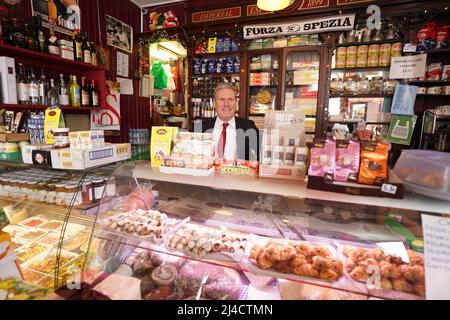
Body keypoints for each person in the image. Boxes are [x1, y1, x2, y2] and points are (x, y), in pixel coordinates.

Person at [196, 82, 260, 161]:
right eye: (222, 99)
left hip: (238, 172)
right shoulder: (201, 128)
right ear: (214, 103)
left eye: (230, 99)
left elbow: (262, 155)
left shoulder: (248, 127)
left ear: (236, 103)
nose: (226, 104)